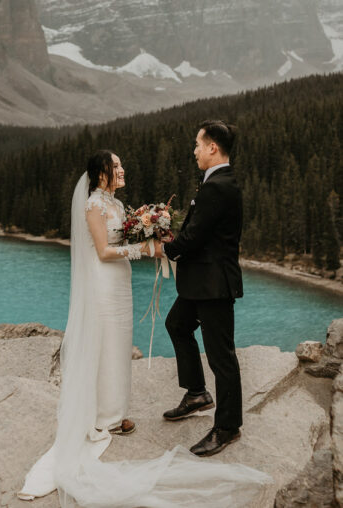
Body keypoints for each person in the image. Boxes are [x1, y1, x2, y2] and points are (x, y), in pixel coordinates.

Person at [18, 148, 269, 507]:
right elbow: (104, 252)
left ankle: (121, 411)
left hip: (123, 282)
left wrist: (152, 235)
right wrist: (147, 249)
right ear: (101, 172)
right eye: (116, 166)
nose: (122, 169)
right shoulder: (94, 206)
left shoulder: (118, 206)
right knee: (106, 343)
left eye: (121, 164)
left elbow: (128, 239)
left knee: (121, 344)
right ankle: (103, 418)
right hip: (103, 283)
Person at [158, 120, 244, 458]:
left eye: (198, 144)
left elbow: (194, 238)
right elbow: (198, 230)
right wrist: (172, 238)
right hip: (200, 283)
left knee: (222, 357)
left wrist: (165, 248)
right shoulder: (215, 183)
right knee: (177, 325)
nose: (194, 150)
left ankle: (227, 427)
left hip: (213, 285)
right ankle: (196, 393)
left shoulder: (218, 186)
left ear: (212, 147)